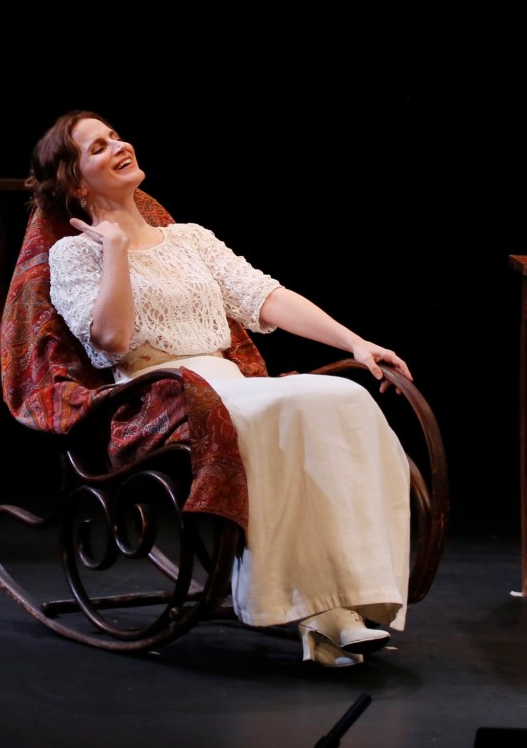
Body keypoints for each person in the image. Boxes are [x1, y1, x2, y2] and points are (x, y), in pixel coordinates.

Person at [27, 109, 413, 668]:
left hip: (230, 384)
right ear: (75, 183)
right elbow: (111, 341)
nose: (119, 146)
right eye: (98, 147)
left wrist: (355, 343)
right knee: (272, 413)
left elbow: (265, 297)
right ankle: (312, 611)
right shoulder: (73, 254)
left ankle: (346, 599)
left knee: (345, 398)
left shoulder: (190, 239)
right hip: (161, 396)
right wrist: (114, 250)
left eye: (116, 136)